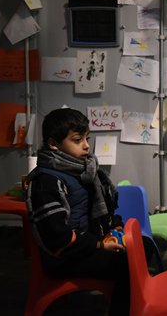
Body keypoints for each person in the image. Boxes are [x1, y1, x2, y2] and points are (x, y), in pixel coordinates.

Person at [25, 108, 129, 315]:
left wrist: (115, 226)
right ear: (54, 144)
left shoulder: (83, 171)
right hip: (65, 258)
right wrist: (99, 244)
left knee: (142, 247)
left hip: (86, 245)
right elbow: (58, 238)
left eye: (87, 138)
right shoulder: (47, 181)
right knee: (127, 262)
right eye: (77, 140)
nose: (87, 146)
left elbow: (99, 210)